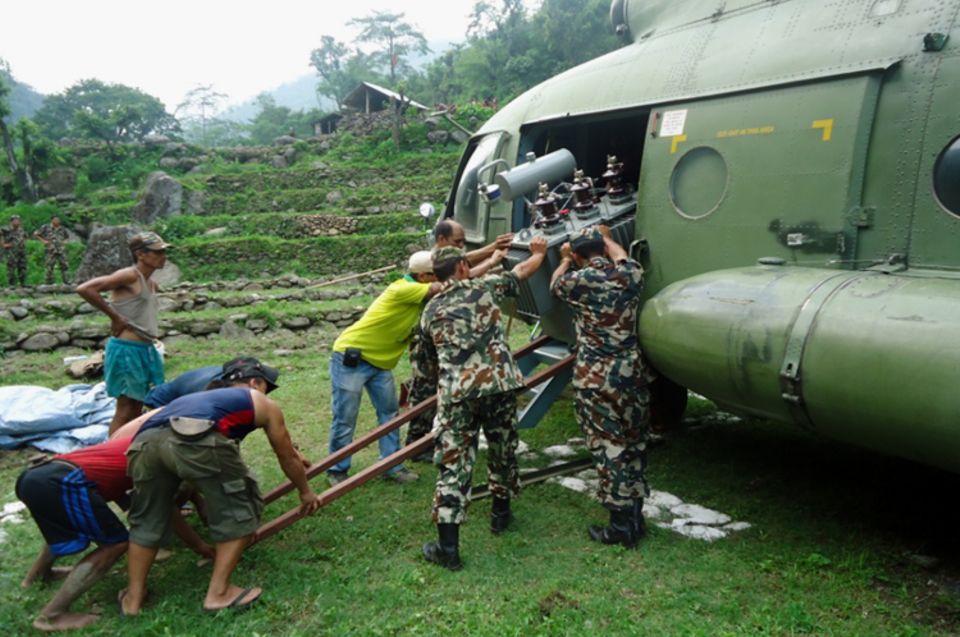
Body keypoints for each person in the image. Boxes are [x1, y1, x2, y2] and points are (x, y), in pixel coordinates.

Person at [120, 358, 321, 615]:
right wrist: (305, 491)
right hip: (194, 439)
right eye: (266, 386)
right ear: (254, 382)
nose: (267, 393)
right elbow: (286, 456)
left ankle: (133, 600)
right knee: (240, 508)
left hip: (144, 443)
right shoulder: (260, 401)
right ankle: (219, 594)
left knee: (147, 519)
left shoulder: (201, 397)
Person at [16, 411, 212, 632]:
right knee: (116, 544)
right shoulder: (162, 456)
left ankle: (38, 576)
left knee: (68, 520)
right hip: (63, 481)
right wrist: (201, 547)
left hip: (37, 476)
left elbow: (120, 485)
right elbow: (168, 509)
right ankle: (52, 615)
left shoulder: (141, 442)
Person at [419, 238, 547, 571]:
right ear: (463, 267)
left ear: (436, 274)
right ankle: (500, 516)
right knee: (503, 447)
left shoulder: (429, 311)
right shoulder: (486, 288)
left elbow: (427, 363)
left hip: (457, 393)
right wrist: (540, 254)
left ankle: (448, 548)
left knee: (453, 463)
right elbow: (520, 272)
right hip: (499, 386)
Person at [550, 226, 655, 549]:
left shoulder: (576, 282)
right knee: (635, 443)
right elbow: (622, 257)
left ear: (580, 256)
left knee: (609, 447)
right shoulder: (630, 275)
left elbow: (554, 284)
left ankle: (620, 527)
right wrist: (607, 237)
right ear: (603, 249)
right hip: (632, 376)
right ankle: (636, 516)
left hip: (596, 381)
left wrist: (565, 260)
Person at [325, 251, 441, 485]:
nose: (438, 278)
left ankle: (391, 465)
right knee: (346, 416)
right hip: (352, 359)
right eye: (435, 274)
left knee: (389, 414)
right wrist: (490, 263)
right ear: (422, 276)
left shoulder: (418, 296)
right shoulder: (403, 289)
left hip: (380, 364)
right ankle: (336, 470)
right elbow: (443, 286)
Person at [403, 221, 513, 458]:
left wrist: (491, 254)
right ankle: (417, 443)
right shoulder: (427, 269)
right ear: (441, 240)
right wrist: (492, 258)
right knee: (424, 391)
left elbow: (463, 265)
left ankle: (422, 442)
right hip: (426, 344)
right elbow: (462, 271)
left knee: (430, 390)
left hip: (434, 339)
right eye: (458, 243)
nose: (462, 248)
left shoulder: (431, 264)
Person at [76, 231, 170, 435]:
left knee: (138, 407)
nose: (163, 256)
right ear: (140, 254)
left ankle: (127, 449)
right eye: (157, 252)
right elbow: (85, 289)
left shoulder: (150, 282)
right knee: (125, 409)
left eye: (164, 252)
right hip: (127, 351)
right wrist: (115, 317)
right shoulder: (129, 275)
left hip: (144, 349)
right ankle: (113, 452)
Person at [33, 216, 71, 285]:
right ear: (52, 220)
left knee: (64, 265)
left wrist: (65, 242)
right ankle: (49, 282)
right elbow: (36, 234)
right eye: (55, 219)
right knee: (49, 266)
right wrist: (43, 241)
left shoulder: (62, 228)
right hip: (50, 249)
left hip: (61, 250)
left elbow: (67, 237)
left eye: (58, 220)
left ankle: (66, 281)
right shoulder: (46, 227)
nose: (57, 221)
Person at [2, 214, 28, 287]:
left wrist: (23, 242)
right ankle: (11, 284)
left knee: (23, 266)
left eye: (18, 220)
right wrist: (3, 244)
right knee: (11, 267)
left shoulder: (21, 229)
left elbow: (25, 236)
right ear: (11, 221)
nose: (17, 222)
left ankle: (23, 283)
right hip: (11, 251)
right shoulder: (6, 229)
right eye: (15, 220)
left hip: (21, 250)